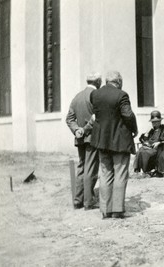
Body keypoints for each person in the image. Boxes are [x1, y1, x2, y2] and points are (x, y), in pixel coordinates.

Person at [90, 71, 138, 219]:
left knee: (105, 174)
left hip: (101, 141)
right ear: (118, 81)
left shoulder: (95, 95)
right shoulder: (122, 95)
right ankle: (117, 210)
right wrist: (134, 129)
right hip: (120, 141)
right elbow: (128, 115)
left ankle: (105, 209)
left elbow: (96, 115)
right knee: (120, 173)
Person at [65, 72, 101, 210]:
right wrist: (85, 129)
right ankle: (89, 201)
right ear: (97, 82)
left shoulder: (77, 97)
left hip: (80, 138)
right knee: (91, 169)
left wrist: (77, 130)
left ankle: (77, 200)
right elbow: (96, 118)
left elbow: (69, 119)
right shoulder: (96, 96)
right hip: (92, 137)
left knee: (81, 167)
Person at [133, 110, 164, 177]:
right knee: (140, 151)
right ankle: (138, 171)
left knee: (143, 152)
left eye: (156, 121)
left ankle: (145, 171)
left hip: (158, 148)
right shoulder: (151, 130)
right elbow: (142, 139)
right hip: (149, 147)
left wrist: (159, 142)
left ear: (160, 121)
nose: (154, 123)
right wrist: (147, 133)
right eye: (153, 122)